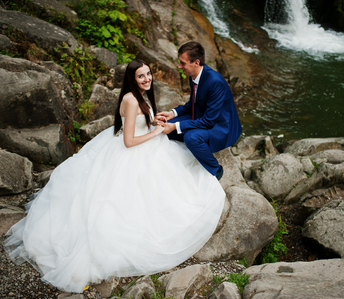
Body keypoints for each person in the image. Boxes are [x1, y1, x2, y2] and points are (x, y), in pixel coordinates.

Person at [3, 59, 225, 293]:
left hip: (144, 141)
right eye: (141, 76)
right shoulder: (130, 99)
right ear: (132, 79)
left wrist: (154, 122)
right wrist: (157, 132)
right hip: (131, 150)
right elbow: (129, 142)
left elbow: (140, 122)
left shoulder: (141, 94)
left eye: (149, 74)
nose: (147, 79)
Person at [157, 41, 242, 180]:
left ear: (196, 62)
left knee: (191, 137)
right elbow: (193, 104)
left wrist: (175, 126)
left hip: (219, 126)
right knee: (164, 125)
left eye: (183, 63)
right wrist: (173, 113)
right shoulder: (194, 76)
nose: (179, 66)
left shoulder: (215, 82)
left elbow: (209, 121)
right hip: (203, 117)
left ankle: (216, 170)